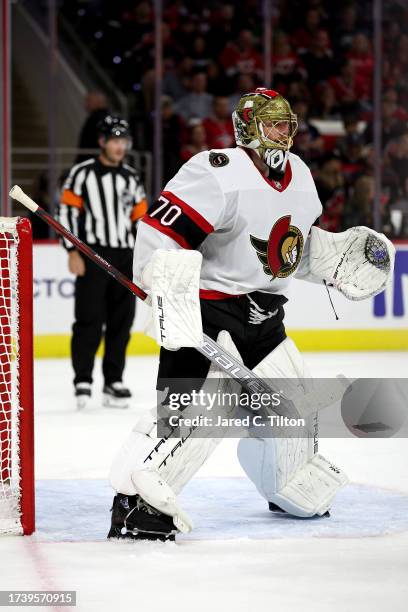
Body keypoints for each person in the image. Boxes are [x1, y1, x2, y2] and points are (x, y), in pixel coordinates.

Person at [107, 89, 394, 541]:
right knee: (194, 417)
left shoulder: (299, 173)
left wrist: (334, 261)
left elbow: (291, 250)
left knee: (296, 406)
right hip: (209, 314)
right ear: (248, 128)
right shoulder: (216, 171)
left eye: (287, 124)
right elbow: (161, 236)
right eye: (273, 124)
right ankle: (135, 504)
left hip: (265, 318)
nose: (284, 133)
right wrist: (162, 285)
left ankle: (284, 483)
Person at [58, 116, 148, 409]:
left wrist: (142, 259)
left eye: (124, 141)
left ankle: (114, 380)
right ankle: (83, 380)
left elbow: (141, 221)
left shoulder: (131, 177)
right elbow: (68, 213)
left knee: (122, 322)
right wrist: (72, 250)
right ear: (102, 142)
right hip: (93, 254)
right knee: (89, 319)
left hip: (125, 257)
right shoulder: (82, 174)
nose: (120, 146)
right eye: (115, 140)